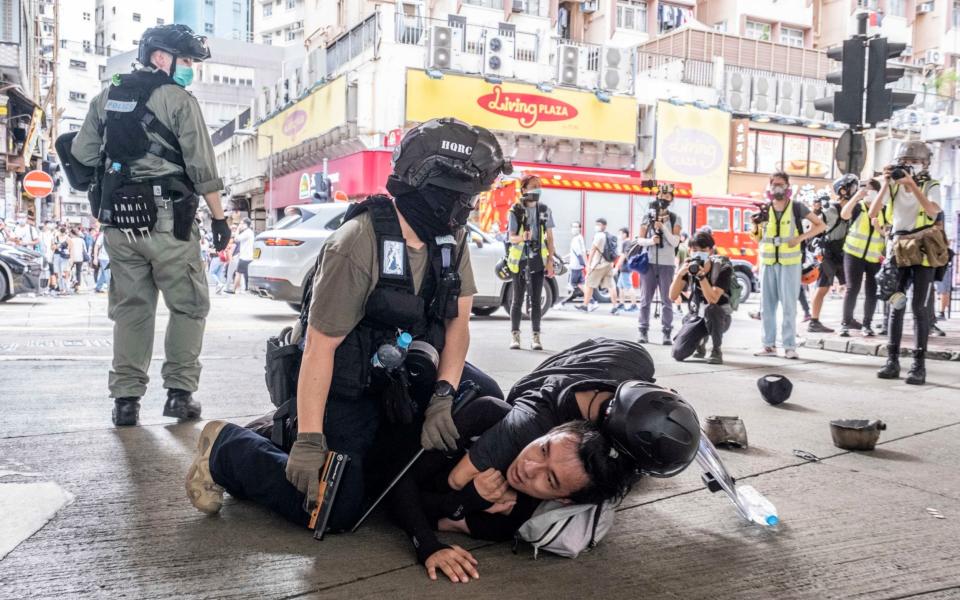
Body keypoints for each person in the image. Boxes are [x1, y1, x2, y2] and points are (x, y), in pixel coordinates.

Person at [187, 118, 513, 534]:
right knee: (337, 506)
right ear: (433, 187)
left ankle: (321, 444)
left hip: (401, 375)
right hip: (346, 382)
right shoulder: (358, 243)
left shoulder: (450, 239)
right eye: (465, 198)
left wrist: (444, 397)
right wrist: (309, 440)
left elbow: (458, 324)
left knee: (482, 398)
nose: (469, 209)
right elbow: (319, 350)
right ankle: (229, 448)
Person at [70, 24, 231, 425]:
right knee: (190, 305)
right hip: (166, 221)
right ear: (161, 57)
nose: (190, 67)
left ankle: (125, 402)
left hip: (118, 223)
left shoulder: (106, 96)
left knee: (131, 310)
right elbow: (202, 167)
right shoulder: (179, 100)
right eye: (187, 60)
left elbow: (83, 154)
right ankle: (179, 395)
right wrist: (219, 217)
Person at [869, 141, 942, 385]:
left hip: (923, 252)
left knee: (919, 309)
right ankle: (892, 361)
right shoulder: (893, 187)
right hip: (898, 250)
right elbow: (873, 213)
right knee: (895, 305)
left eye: (915, 161)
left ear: (925, 164)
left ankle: (918, 365)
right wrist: (885, 183)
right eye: (904, 162)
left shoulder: (932, 185)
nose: (909, 165)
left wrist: (912, 185)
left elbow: (932, 211)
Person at [751, 171, 825, 359]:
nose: (777, 187)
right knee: (767, 307)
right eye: (774, 184)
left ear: (787, 186)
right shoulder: (765, 209)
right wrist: (754, 225)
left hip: (790, 264)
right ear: (770, 186)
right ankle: (768, 346)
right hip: (768, 263)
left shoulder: (797, 207)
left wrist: (800, 238)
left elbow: (820, 225)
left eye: (781, 184)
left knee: (789, 306)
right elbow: (758, 238)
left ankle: (789, 346)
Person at [668, 231, 734, 364]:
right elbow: (672, 296)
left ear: (711, 250)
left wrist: (702, 277)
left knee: (711, 309)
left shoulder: (723, 268)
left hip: (720, 318)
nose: (699, 253)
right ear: (690, 251)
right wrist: (680, 274)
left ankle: (716, 350)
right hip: (698, 316)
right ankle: (699, 342)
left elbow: (713, 299)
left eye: (703, 250)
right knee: (678, 354)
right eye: (695, 250)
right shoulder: (689, 266)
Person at [506, 175, 556, 350]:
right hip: (519, 261)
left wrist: (550, 260)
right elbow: (511, 238)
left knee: (535, 300)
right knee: (517, 299)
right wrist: (522, 237)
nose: (538, 189)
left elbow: (550, 237)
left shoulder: (544, 210)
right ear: (524, 189)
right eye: (534, 186)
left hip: (538, 260)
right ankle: (515, 336)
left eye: (539, 186)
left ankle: (536, 337)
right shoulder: (515, 211)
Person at [634, 184, 683, 344]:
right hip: (649, 262)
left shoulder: (675, 218)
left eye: (668, 196)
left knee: (667, 300)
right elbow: (639, 240)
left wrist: (663, 228)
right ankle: (643, 331)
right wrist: (650, 240)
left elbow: (675, 242)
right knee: (645, 299)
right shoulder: (648, 216)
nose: (664, 198)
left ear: (672, 198)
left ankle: (667, 332)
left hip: (667, 264)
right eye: (662, 195)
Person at [806, 181, 854, 334]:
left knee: (850, 286)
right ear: (843, 191)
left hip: (841, 252)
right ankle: (814, 321)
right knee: (822, 288)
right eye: (853, 187)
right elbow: (814, 226)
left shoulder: (852, 210)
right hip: (828, 254)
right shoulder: (832, 211)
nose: (855, 191)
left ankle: (848, 319)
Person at [839, 179, 885, 337]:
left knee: (872, 291)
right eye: (865, 188)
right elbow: (844, 215)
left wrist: (880, 229)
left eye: (871, 189)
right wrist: (856, 197)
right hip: (853, 253)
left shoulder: (883, 210)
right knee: (852, 288)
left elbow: (889, 232)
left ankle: (867, 324)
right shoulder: (858, 207)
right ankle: (845, 323)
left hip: (874, 256)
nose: (867, 191)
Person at [578, 218, 619, 314]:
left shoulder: (599, 236)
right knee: (611, 285)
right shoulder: (609, 235)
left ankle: (585, 305)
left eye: (599, 224)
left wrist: (588, 264)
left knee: (589, 284)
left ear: (604, 225)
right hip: (609, 264)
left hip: (598, 265)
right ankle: (615, 307)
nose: (596, 226)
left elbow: (593, 250)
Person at [612, 227, 638, 314]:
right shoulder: (627, 242)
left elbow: (623, 256)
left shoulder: (626, 242)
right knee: (620, 286)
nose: (619, 236)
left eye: (620, 233)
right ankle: (621, 304)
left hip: (626, 268)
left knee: (629, 287)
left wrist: (616, 267)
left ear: (624, 234)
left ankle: (634, 305)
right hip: (625, 267)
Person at [560, 220, 586, 306]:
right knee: (580, 285)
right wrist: (564, 257)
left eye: (576, 227)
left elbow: (578, 253)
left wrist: (583, 263)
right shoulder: (580, 238)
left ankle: (561, 303)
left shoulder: (576, 239)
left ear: (579, 228)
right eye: (572, 227)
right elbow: (574, 252)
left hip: (574, 266)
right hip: (578, 266)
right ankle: (592, 301)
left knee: (570, 286)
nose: (573, 229)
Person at [232, 217, 255, 292]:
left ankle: (233, 289)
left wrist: (238, 229)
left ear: (245, 224)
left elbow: (236, 239)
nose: (240, 225)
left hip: (245, 257)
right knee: (245, 274)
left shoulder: (247, 232)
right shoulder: (249, 232)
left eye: (241, 223)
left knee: (238, 273)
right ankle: (245, 289)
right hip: (247, 256)